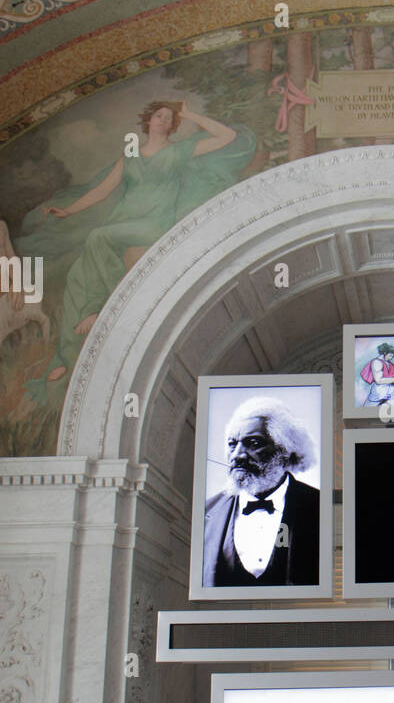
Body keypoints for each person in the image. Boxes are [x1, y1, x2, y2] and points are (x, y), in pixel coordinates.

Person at [19, 100, 254, 383]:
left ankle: (103, 306)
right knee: (79, 274)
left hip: (154, 224)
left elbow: (227, 137)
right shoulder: (130, 155)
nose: (164, 121)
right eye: (159, 116)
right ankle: (67, 356)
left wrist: (190, 114)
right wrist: (69, 211)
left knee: (98, 237)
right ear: (148, 120)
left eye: (169, 118)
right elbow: (104, 189)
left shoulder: (179, 152)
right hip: (124, 222)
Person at [202, 396, 320, 587]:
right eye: (233, 444)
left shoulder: (319, 506)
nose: (237, 455)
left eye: (254, 443)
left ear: (285, 450)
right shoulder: (207, 511)